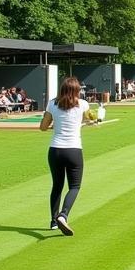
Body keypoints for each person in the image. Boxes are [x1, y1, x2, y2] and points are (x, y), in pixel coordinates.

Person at [39, 75, 96, 235]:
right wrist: (90, 122)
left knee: (57, 186)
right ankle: (63, 215)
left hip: (55, 150)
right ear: (76, 90)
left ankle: (53, 221)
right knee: (74, 186)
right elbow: (88, 118)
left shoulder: (52, 103)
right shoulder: (83, 104)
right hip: (73, 150)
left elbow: (43, 127)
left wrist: (53, 126)